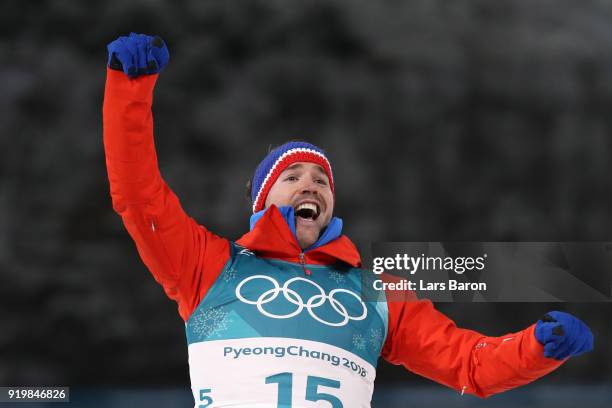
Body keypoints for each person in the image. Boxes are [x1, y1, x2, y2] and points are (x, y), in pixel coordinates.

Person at [102, 33, 594, 408]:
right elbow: (139, 198)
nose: (311, 184)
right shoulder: (208, 267)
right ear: (261, 198)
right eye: (292, 175)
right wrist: (130, 90)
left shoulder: (376, 294)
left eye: (322, 178)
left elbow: (470, 364)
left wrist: (537, 348)